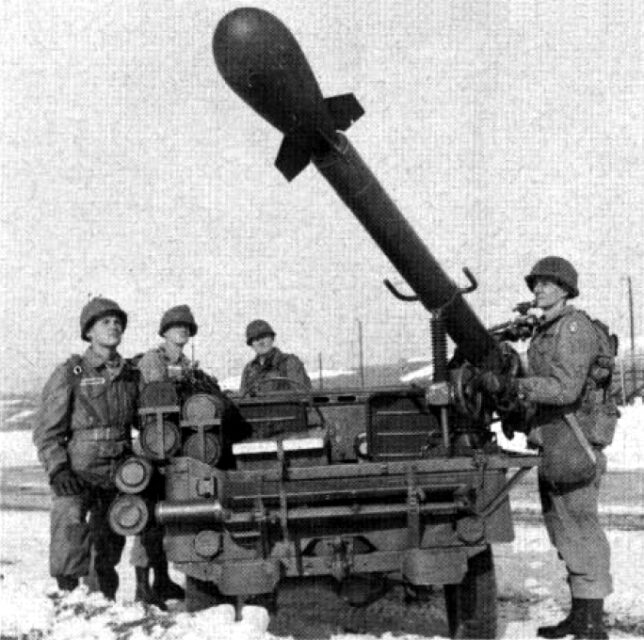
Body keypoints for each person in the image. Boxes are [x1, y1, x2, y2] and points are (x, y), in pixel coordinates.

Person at [482, 257, 612, 640]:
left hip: (574, 442)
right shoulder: (547, 329)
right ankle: (581, 615)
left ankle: (592, 624)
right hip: (556, 442)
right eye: (535, 283)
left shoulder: (572, 328)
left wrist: (517, 387)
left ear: (566, 289)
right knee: (564, 532)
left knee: (581, 530)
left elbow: (565, 389)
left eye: (546, 284)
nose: (537, 289)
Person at [33, 297, 138, 599]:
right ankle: (68, 598)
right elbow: (46, 431)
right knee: (69, 526)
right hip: (78, 470)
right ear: (89, 332)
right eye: (105, 322)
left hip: (117, 472)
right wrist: (58, 468)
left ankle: (102, 607)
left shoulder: (130, 375)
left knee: (109, 544)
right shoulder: (71, 373)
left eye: (118, 322)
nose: (114, 326)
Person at [129, 305, 198, 608]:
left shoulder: (185, 363)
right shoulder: (153, 360)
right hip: (154, 446)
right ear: (165, 332)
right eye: (176, 327)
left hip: (176, 447)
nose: (182, 331)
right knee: (147, 517)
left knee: (169, 518)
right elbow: (162, 393)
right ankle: (143, 586)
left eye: (186, 327)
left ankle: (162, 580)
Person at [240, 319, 312, 395]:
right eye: (256, 339)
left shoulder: (290, 362)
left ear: (272, 338)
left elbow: (301, 395)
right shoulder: (249, 369)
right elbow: (242, 398)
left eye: (264, 337)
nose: (261, 342)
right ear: (251, 344)